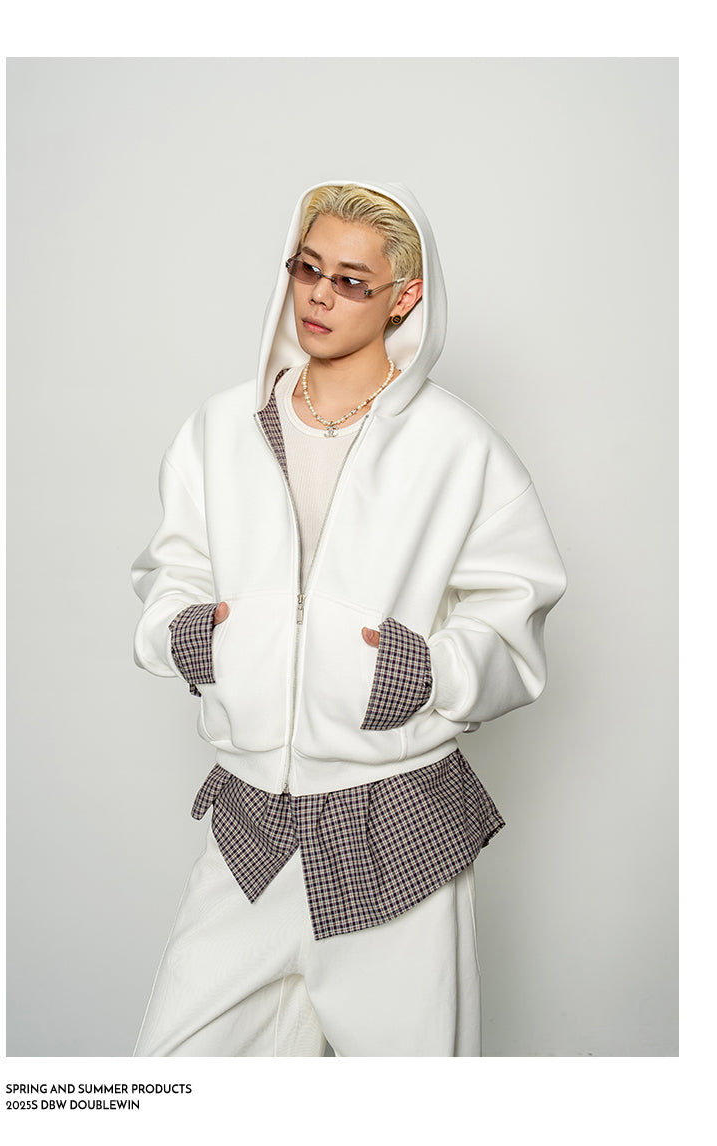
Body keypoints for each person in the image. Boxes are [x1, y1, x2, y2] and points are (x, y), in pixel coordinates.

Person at [131, 180, 566, 1057]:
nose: (320, 296)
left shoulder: (458, 447)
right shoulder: (220, 430)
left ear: (405, 297)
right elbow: (171, 571)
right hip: (252, 831)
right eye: (308, 269)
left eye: (352, 281)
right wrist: (193, 637)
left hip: (395, 830)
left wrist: (424, 672)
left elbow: (515, 612)